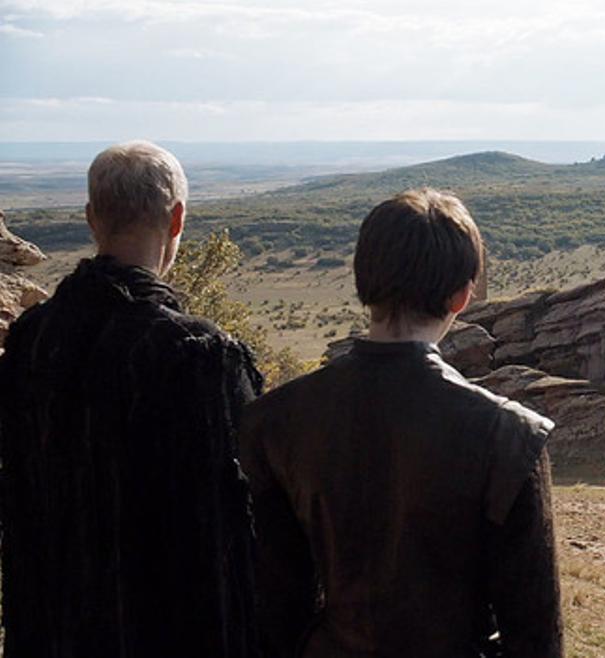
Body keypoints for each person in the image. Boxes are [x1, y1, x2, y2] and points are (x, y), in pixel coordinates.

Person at [240, 189, 562, 658]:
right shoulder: (508, 436)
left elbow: (276, 608)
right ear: (462, 295)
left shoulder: (275, 420)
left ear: (362, 281)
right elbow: (535, 636)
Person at [0, 141, 263, 657]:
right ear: (177, 218)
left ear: (92, 219)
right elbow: (235, 533)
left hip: (46, 634)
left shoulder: (32, 340)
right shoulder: (200, 355)